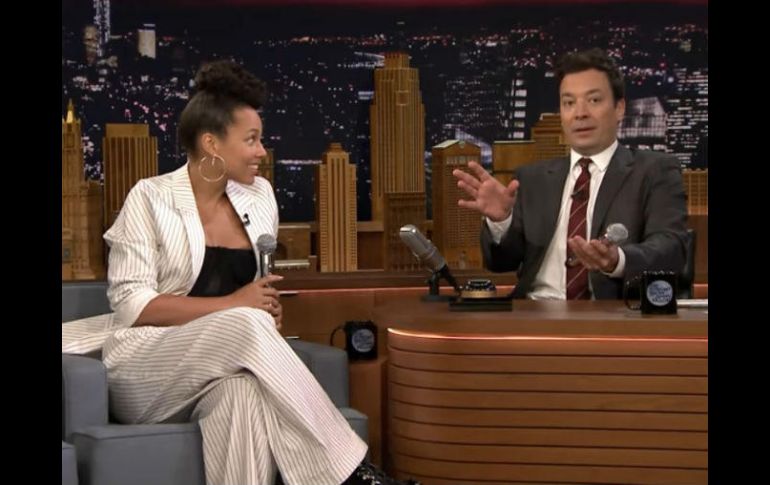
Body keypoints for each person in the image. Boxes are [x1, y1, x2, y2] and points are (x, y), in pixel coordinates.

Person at [62, 60, 416, 485]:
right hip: (146, 370)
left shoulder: (259, 196)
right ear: (211, 143)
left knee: (242, 397)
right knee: (245, 323)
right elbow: (132, 307)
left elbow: (254, 297)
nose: (262, 152)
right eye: (251, 140)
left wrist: (263, 312)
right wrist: (237, 308)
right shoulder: (150, 198)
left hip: (225, 369)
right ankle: (353, 473)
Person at [453, 48, 688, 300]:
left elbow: (671, 248)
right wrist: (501, 222)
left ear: (619, 108)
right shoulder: (531, 179)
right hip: (532, 312)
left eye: (594, 100)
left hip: (613, 314)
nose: (580, 113)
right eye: (569, 103)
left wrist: (617, 260)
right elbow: (501, 263)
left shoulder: (654, 171)